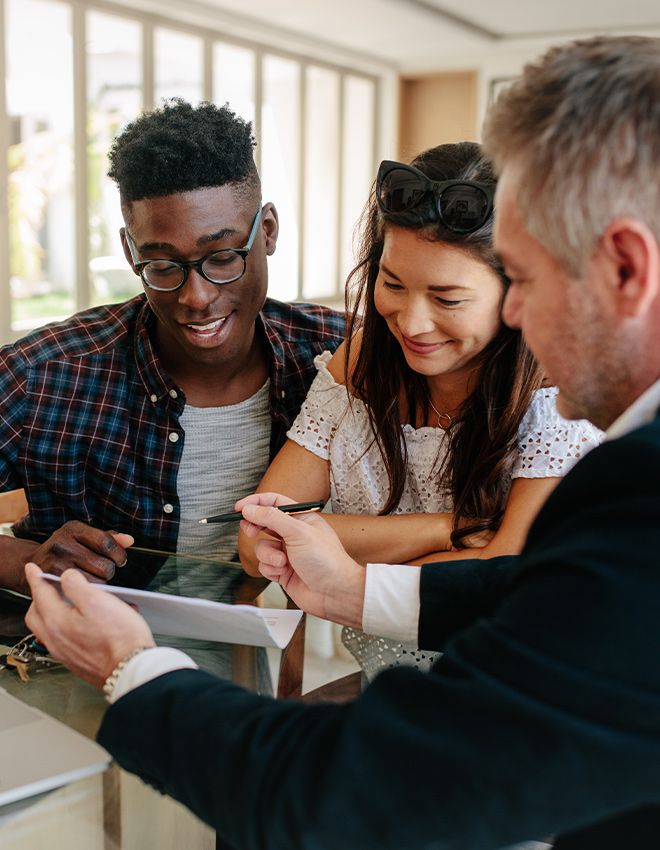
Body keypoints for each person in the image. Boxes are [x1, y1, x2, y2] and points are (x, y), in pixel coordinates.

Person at [25, 35, 660, 849]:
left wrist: (129, 667)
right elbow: (526, 586)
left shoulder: (633, 490)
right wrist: (355, 591)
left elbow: (347, 794)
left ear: (625, 269)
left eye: (523, 282)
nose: (511, 321)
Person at [238, 141, 602, 680]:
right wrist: (447, 529)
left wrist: (339, 557)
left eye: (447, 299)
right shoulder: (358, 366)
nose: (411, 322)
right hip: (386, 692)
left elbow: (504, 574)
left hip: (521, 699)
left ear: (517, 291)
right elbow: (259, 542)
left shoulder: (556, 390)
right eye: (392, 284)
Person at [0, 99, 344, 594]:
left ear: (266, 231)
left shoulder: (336, 359)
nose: (196, 297)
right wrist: (27, 561)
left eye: (223, 257)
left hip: (250, 661)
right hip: (73, 660)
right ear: (129, 251)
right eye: (162, 267)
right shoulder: (47, 375)